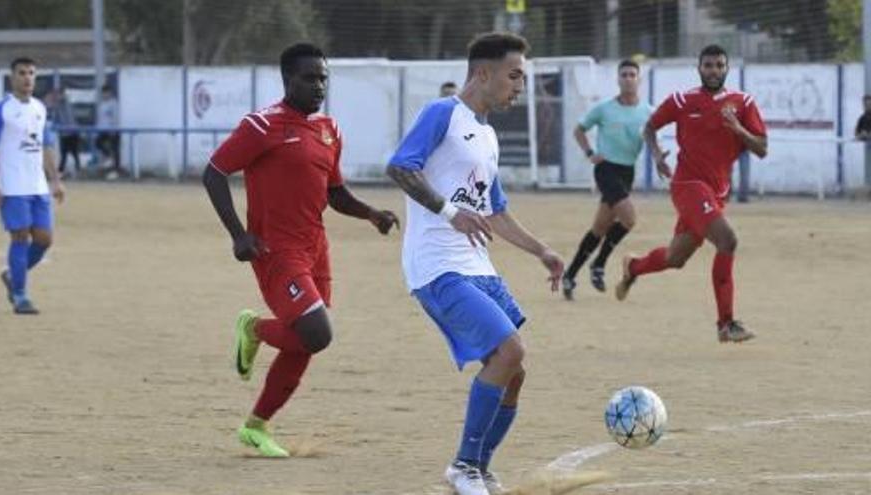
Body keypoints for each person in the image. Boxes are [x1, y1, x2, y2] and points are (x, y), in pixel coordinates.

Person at [387, 32, 564, 495]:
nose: (519, 85)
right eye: (514, 75)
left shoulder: (486, 135)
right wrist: (449, 211)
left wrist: (542, 250)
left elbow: (495, 212)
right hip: (437, 267)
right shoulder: (442, 112)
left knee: (514, 372)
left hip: (478, 266)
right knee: (511, 352)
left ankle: (478, 469)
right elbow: (400, 167)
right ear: (482, 73)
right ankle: (464, 466)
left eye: (522, 77)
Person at [203, 43, 399, 457]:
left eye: (323, 77)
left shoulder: (330, 129)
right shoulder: (261, 125)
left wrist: (371, 214)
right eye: (309, 78)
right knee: (316, 333)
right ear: (287, 80)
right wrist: (239, 235)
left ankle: (256, 426)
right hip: (276, 250)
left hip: (316, 248)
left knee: (306, 340)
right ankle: (253, 328)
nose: (319, 85)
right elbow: (214, 173)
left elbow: (334, 193)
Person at [615, 45, 767, 343]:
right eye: (708, 65)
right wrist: (657, 155)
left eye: (719, 65)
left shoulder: (743, 103)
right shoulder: (682, 101)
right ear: (699, 68)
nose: (713, 70)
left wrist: (739, 129)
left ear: (727, 69)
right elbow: (650, 127)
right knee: (728, 240)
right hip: (687, 186)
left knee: (676, 258)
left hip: (717, 192)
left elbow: (761, 148)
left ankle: (634, 266)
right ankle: (726, 324)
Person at [561, 59, 652, 300]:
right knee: (629, 218)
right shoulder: (604, 108)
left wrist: (661, 156)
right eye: (624, 74)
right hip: (606, 169)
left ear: (639, 79)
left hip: (627, 172)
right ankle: (599, 264)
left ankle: (570, 275)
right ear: (618, 79)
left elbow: (653, 137)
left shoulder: (648, 111)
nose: (628, 78)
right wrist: (590, 153)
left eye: (633, 74)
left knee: (600, 228)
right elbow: (579, 129)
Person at [0, 57, 65, 314]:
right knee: (20, 236)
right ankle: (21, 295)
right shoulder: (1, 110)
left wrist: (55, 179)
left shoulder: (39, 108)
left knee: (44, 240)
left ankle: (12, 275)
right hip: (12, 185)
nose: (27, 78)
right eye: (22, 73)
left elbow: (45, 146)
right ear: (12, 78)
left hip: (37, 185)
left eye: (31, 73)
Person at [50, 88, 82, 177]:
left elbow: (75, 118)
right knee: (64, 154)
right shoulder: (57, 106)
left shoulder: (70, 104)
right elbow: (55, 119)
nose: (61, 96)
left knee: (75, 153)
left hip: (74, 133)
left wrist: (76, 128)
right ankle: (60, 172)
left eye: (62, 94)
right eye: (59, 94)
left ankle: (78, 171)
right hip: (64, 134)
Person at [95, 84, 122, 179]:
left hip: (112, 130)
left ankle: (116, 171)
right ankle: (108, 159)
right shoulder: (102, 104)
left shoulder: (113, 103)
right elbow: (100, 118)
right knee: (98, 143)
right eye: (104, 93)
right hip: (103, 130)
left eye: (107, 93)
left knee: (115, 150)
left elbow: (115, 117)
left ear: (110, 93)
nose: (105, 95)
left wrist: (114, 129)